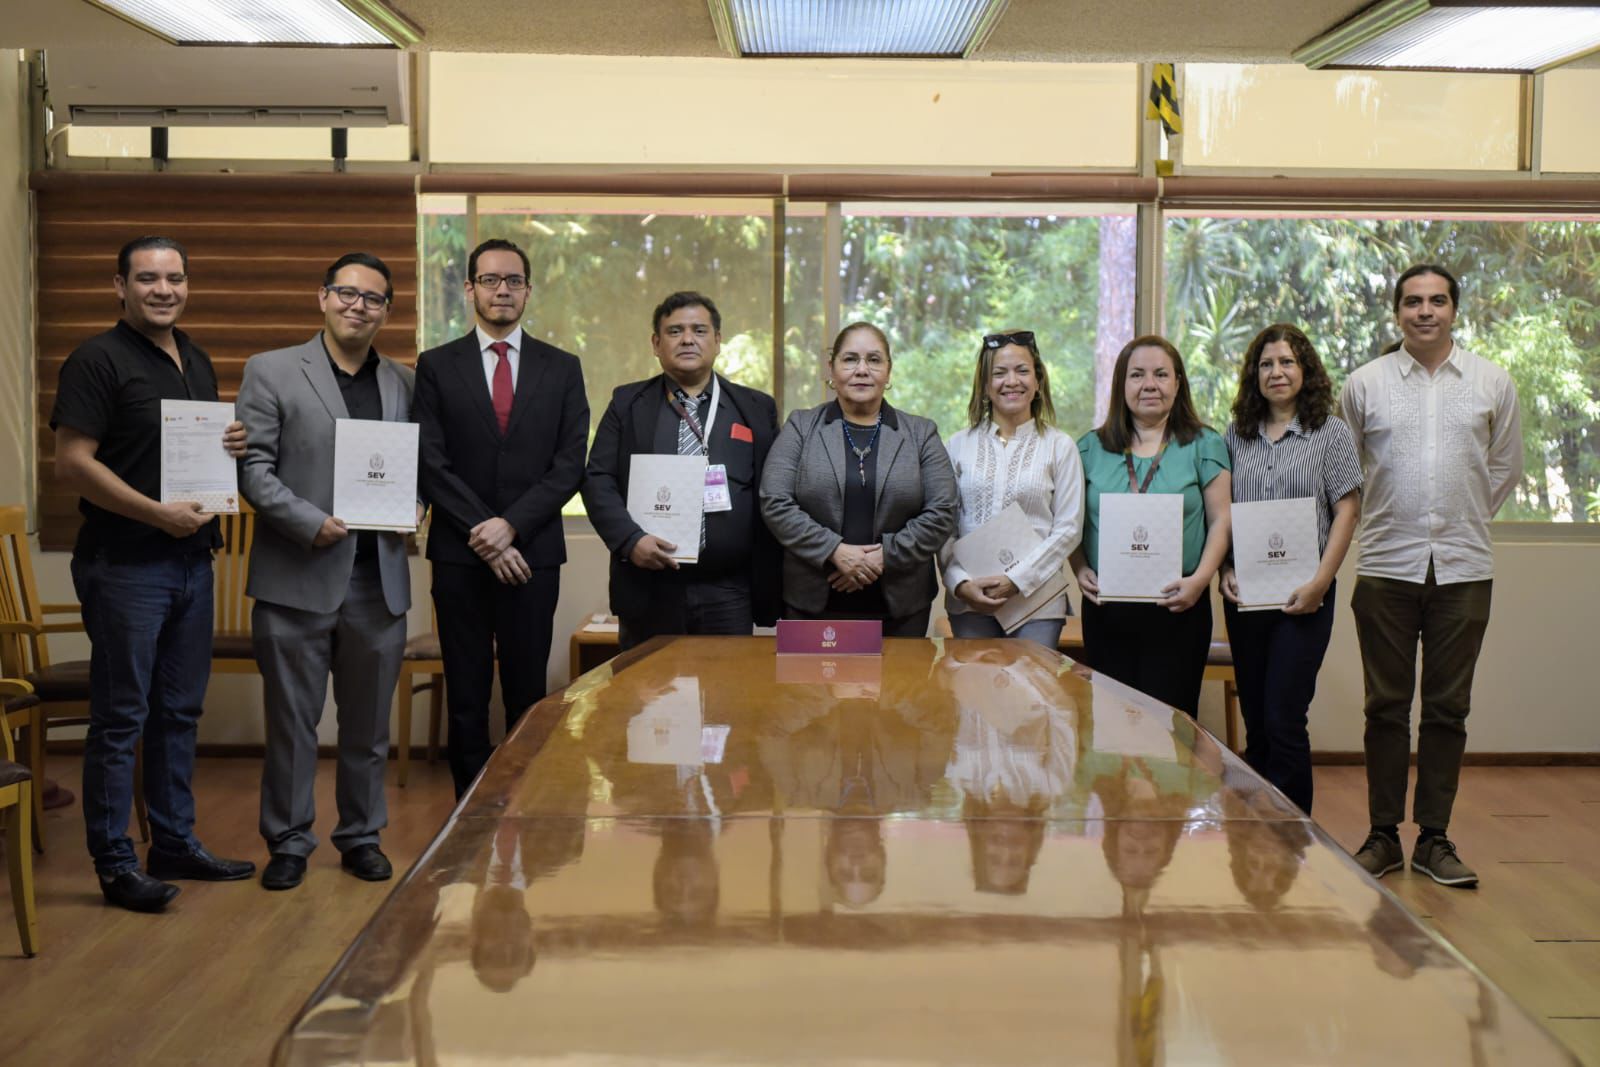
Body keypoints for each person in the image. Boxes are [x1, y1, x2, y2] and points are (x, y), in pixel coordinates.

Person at [50, 235, 255, 912]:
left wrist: (231, 444)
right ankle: (114, 864)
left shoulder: (193, 357)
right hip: (126, 566)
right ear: (120, 286)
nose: (162, 289)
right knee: (121, 718)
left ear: (187, 285)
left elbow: (181, 450)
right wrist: (154, 514)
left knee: (178, 712)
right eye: (147, 278)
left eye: (173, 278)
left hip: (191, 562)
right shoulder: (95, 360)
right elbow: (73, 461)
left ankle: (172, 842)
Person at [237, 252, 418, 891]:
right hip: (297, 574)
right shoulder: (271, 370)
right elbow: (253, 468)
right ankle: (288, 841)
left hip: (379, 580)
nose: (357, 305)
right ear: (322, 297)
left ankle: (360, 837)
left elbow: (416, 469)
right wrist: (306, 520)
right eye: (346, 292)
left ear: (386, 311)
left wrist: (414, 508)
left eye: (373, 298)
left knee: (368, 728)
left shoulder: (404, 381)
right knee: (292, 725)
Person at [1340, 264, 1523, 888]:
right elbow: (1348, 471)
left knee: (1448, 709)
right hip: (1385, 566)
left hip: (1465, 568)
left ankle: (1435, 839)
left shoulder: (1492, 383)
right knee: (1385, 706)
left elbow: (1504, 469)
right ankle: (1383, 835)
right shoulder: (1363, 385)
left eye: (1437, 301)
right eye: (1413, 302)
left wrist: (1457, 520)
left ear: (1454, 310)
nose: (1425, 311)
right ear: (1396, 313)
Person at [414, 238, 588, 795]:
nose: (502, 290)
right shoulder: (437, 366)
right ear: (470, 289)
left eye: (513, 280)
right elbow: (431, 463)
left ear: (528, 290)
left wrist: (511, 526)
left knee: (526, 689)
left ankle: (522, 798)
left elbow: (568, 465)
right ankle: (469, 809)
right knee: (466, 691)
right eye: (490, 280)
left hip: (533, 554)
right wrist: (484, 533)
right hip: (459, 555)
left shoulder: (563, 368)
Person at [582, 291, 780, 650]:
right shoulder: (627, 404)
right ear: (656, 344)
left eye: (699, 330)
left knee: (725, 701)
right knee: (647, 701)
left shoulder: (755, 408)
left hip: (729, 590)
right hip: (649, 587)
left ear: (718, 341)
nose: (688, 339)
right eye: (674, 331)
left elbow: (775, 489)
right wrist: (630, 540)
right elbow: (598, 480)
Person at [1219, 324, 1362, 814]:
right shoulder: (1235, 437)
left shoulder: (1331, 432)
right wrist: (1224, 571)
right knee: (1256, 717)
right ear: (1254, 375)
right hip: (1246, 596)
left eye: (1286, 362)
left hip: (1307, 596)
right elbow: (1223, 514)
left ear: (1306, 370)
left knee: (1284, 715)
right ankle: (1251, 831)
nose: (1276, 372)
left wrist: (1321, 583)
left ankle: (1295, 836)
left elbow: (1347, 510)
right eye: (1266, 364)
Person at [760, 322, 958, 636]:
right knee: (807, 687)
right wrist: (835, 552)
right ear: (832, 368)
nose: (862, 370)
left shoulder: (921, 433)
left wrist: (884, 557)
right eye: (850, 359)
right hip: (813, 603)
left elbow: (943, 509)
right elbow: (775, 501)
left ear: (888, 371)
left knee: (900, 686)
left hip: (901, 608)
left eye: (874, 360)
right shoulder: (801, 426)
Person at [1068, 335, 1231, 716]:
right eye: (1137, 375)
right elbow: (1068, 521)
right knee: (1111, 724)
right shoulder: (1089, 448)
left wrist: (1201, 580)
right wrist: (1079, 568)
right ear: (1121, 385)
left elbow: (1222, 518)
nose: (1149, 385)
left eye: (1161, 374)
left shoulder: (1204, 444)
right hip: (1108, 608)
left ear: (1178, 383)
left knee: (1171, 726)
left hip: (1179, 606)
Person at [941, 329, 1083, 647]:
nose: (1012, 381)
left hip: (1038, 603)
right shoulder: (956, 445)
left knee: (1031, 696)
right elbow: (943, 526)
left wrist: (1017, 580)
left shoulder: (1060, 446)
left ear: (1038, 381)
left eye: (1022, 371)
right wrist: (959, 583)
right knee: (975, 697)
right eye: (999, 373)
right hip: (970, 603)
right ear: (985, 384)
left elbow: (1069, 529)